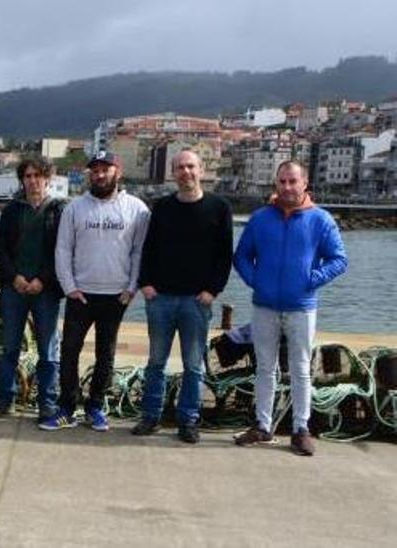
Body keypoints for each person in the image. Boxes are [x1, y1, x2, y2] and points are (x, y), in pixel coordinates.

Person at [233, 160, 347, 457]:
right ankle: (262, 425)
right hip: (264, 306)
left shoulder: (321, 220)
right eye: (282, 182)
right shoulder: (260, 219)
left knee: (300, 369)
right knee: (265, 368)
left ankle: (300, 429)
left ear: (304, 184)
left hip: (302, 306)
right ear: (276, 184)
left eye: (292, 181)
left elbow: (338, 259)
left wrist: (312, 279)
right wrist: (255, 281)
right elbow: (242, 256)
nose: (286, 187)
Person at [134, 150, 233, 443]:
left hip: (196, 301)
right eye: (179, 168)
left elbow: (224, 255)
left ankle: (188, 421)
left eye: (190, 166)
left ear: (200, 170)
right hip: (160, 298)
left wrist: (212, 291)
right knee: (155, 362)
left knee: (193, 365)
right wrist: (146, 284)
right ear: (173, 173)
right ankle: (150, 416)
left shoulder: (219, 207)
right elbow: (148, 248)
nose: (185, 172)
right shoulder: (162, 207)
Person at [50, 150, 149, 431]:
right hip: (80, 293)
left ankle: (95, 407)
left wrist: (132, 288)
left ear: (117, 172)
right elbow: (63, 249)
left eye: (105, 169)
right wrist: (69, 287)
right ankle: (67, 407)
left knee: (106, 354)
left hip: (116, 295)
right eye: (94, 170)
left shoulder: (137, 209)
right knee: (69, 351)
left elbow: (140, 252)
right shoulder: (74, 208)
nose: (99, 174)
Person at [0, 156, 66, 420]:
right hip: (15, 289)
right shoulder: (12, 211)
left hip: (46, 290)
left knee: (48, 350)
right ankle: (4, 399)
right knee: (9, 347)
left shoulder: (58, 211)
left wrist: (43, 280)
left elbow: (62, 252)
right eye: (28, 176)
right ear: (22, 179)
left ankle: (47, 402)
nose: (33, 181)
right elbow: (1, 249)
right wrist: (15, 278)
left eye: (37, 175)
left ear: (47, 178)